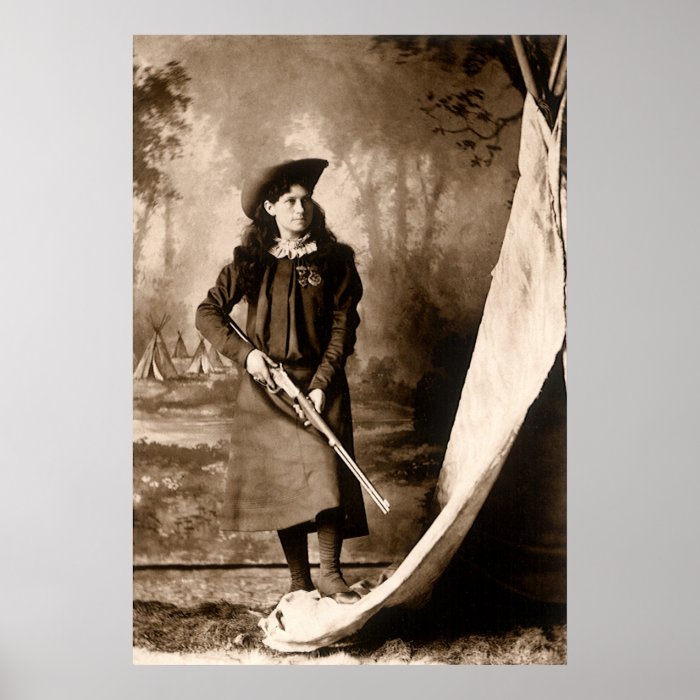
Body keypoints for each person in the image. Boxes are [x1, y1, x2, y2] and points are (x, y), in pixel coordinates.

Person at [195, 158, 367, 604]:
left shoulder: (335, 261)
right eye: (289, 201)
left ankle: (331, 573)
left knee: (327, 473)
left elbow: (342, 329)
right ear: (270, 207)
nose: (299, 209)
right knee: (281, 485)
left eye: (305, 200)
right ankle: (299, 581)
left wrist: (323, 382)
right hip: (266, 389)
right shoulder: (251, 262)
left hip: (319, 385)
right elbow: (207, 313)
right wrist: (247, 355)